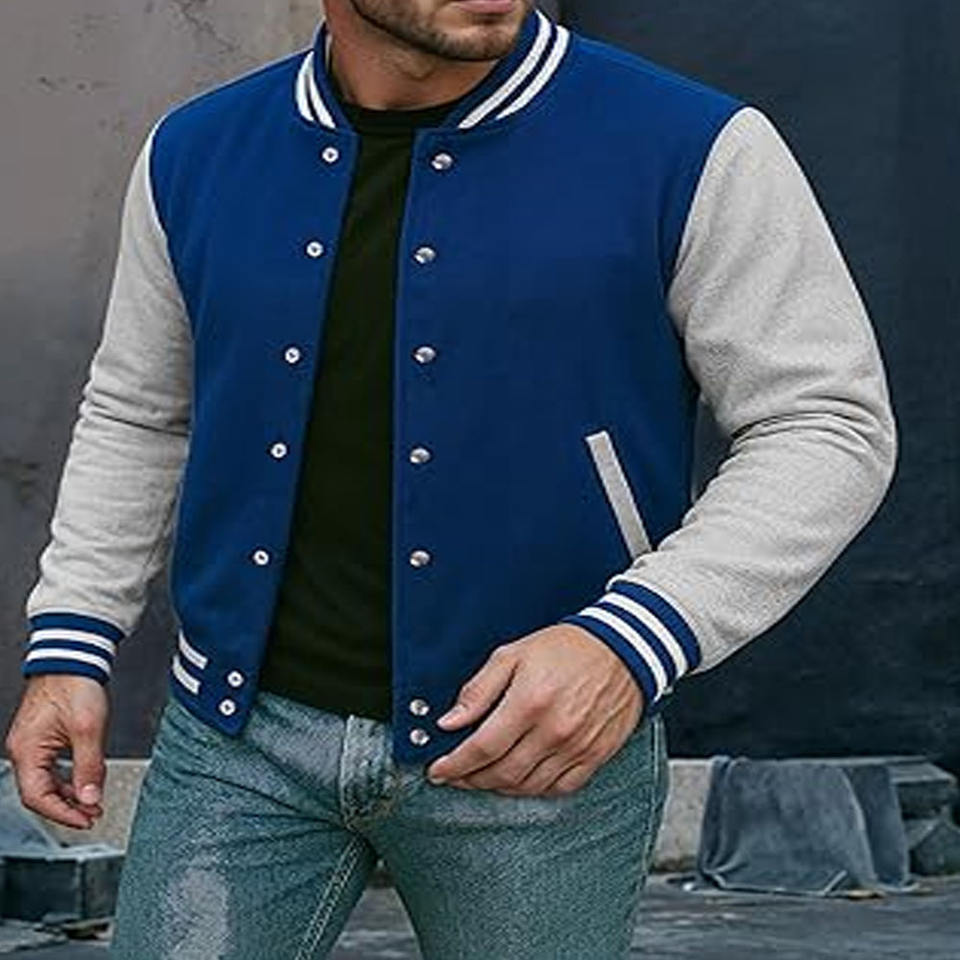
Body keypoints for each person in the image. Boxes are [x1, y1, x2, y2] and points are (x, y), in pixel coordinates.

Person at [4, 1, 897, 957]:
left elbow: (826, 423)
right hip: (235, 739)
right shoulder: (195, 153)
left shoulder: (693, 144)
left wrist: (633, 639)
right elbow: (141, 411)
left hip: (536, 746)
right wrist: (72, 641)